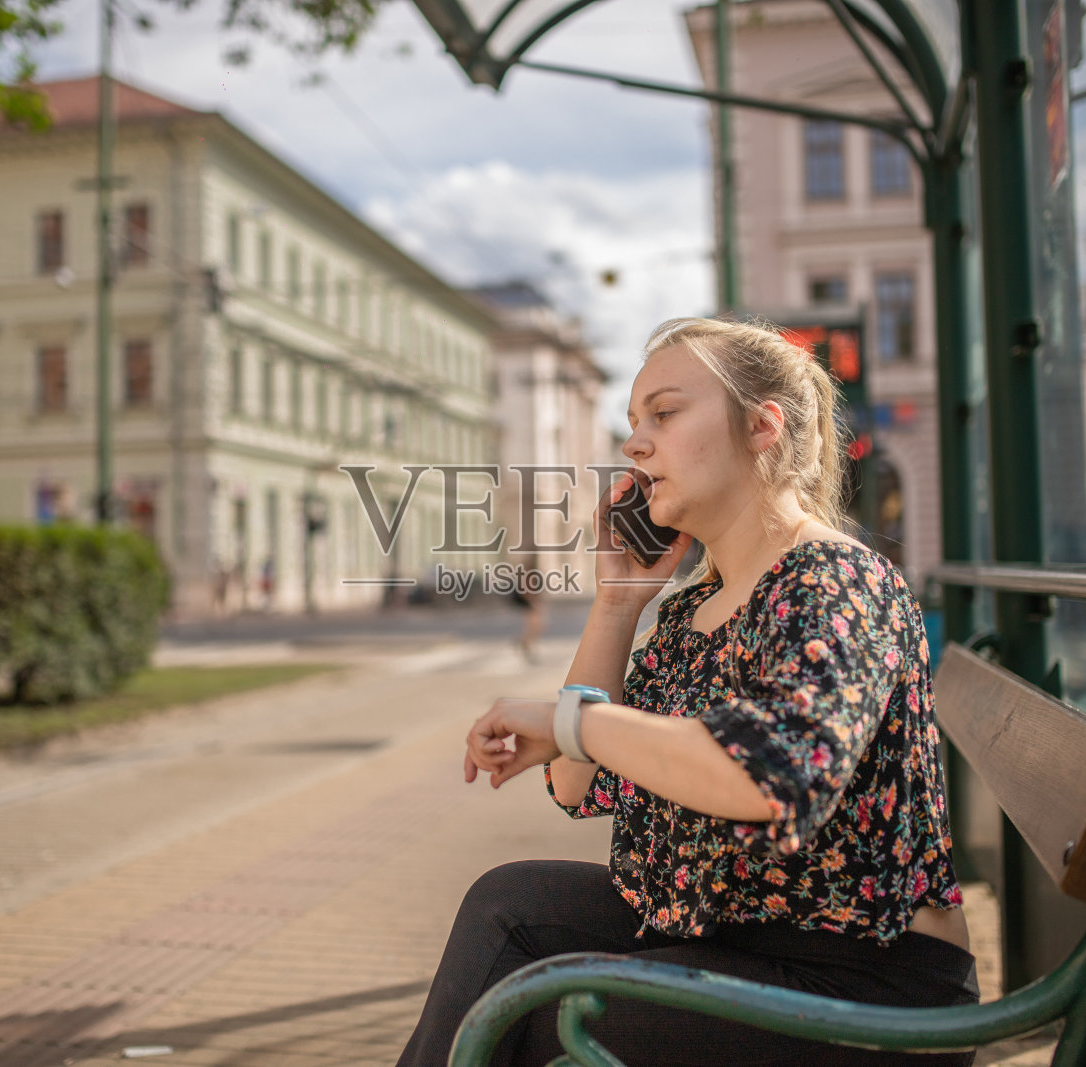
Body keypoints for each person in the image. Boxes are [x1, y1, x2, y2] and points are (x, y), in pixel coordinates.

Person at [396, 317, 976, 1067]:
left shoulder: (836, 581)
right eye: (634, 422)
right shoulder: (691, 609)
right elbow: (576, 783)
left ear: (761, 427)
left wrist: (573, 722)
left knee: (536, 1020)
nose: (635, 444)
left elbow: (767, 773)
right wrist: (618, 602)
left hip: (865, 988)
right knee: (506, 904)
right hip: (736, 942)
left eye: (663, 415)